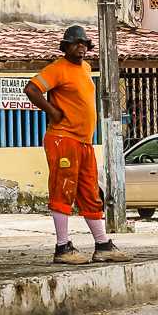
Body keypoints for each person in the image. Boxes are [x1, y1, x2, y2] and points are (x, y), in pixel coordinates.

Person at [24, 25, 131, 265]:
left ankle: (102, 244)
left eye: (84, 44)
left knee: (90, 192)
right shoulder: (57, 69)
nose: (81, 48)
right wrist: (52, 110)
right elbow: (31, 89)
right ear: (66, 46)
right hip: (64, 138)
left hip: (84, 142)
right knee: (63, 189)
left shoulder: (84, 68)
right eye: (76, 43)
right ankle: (62, 247)